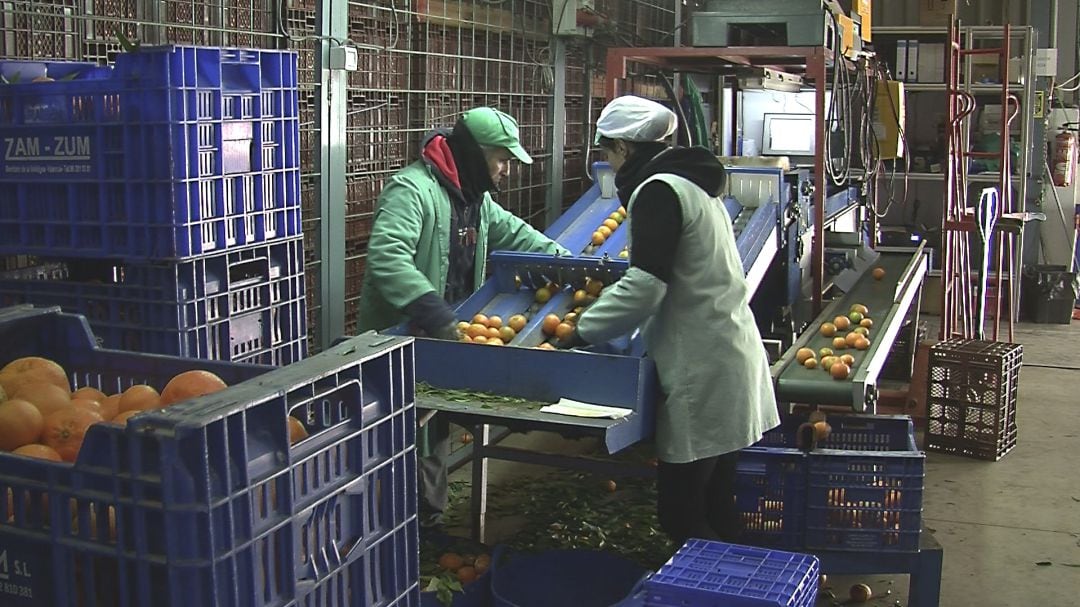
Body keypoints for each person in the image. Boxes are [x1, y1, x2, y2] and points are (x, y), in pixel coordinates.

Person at [569, 95, 780, 547]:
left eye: (608, 152)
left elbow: (646, 285)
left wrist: (580, 330)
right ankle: (738, 579)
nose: (609, 163)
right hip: (729, 355)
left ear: (623, 147)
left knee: (681, 516)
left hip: (704, 367)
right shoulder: (693, 184)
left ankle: (713, 582)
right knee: (717, 505)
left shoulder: (658, 190)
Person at [358, 106, 570, 530]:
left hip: (444, 339)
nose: (506, 170)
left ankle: (425, 526)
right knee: (400, 440)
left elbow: (520, 235)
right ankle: (394, 532)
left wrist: (569, 263)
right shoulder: (412, 190)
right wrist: (430, 308)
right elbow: (387, 256)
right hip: (401, 340)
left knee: (430, 435)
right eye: (501, 159)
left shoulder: (477, 201)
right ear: (474, 154)